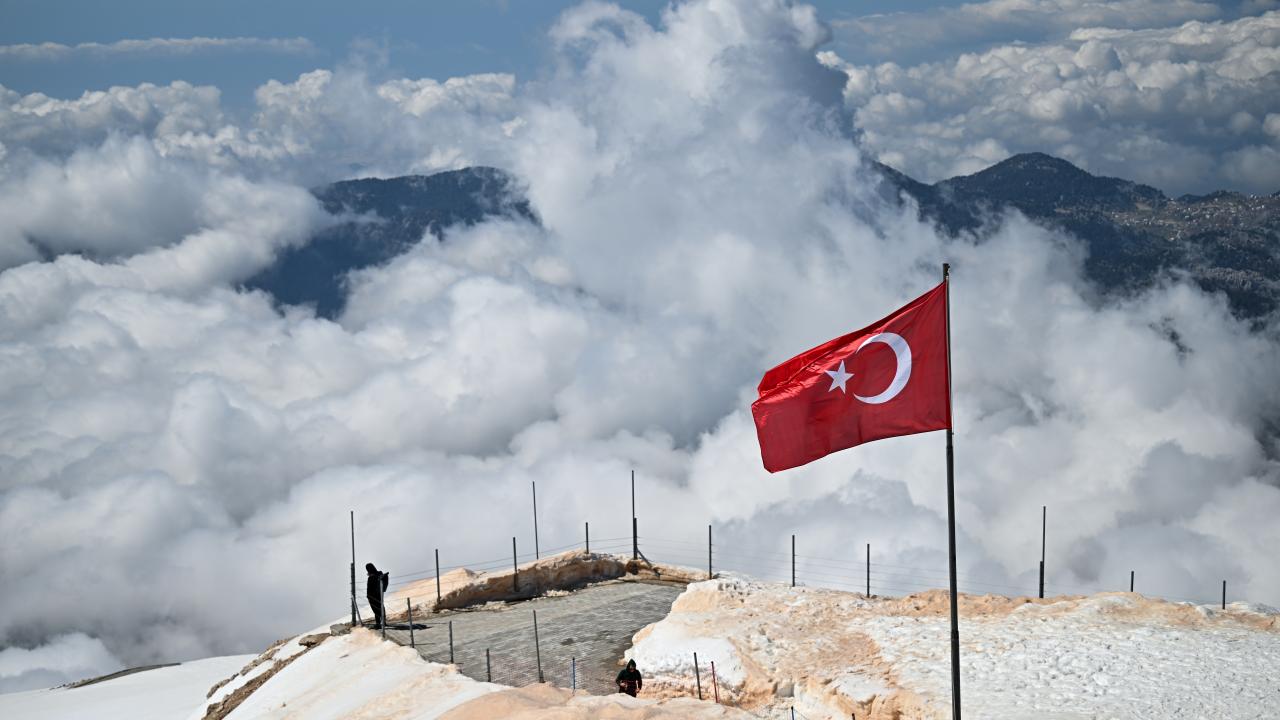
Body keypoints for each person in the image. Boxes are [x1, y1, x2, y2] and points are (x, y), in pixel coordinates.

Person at [366, 562, 390, 628]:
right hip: (379, 595)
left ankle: (378, 623)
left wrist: (368, 596)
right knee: (380, 607)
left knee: (376, 609)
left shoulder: (371, 578)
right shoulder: (379, 574)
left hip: (372, 596)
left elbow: (369, 588)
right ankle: (382, 622)